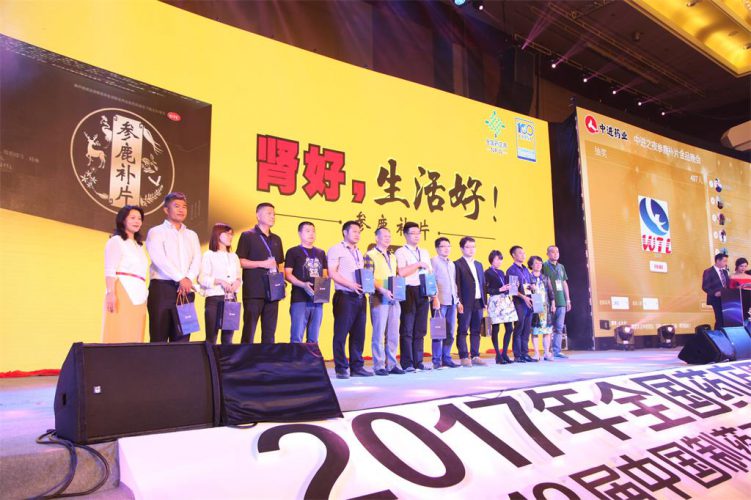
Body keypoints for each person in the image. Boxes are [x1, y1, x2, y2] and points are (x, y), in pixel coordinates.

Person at [146, 192, 202, 343]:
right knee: (159, 337)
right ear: (166, 209)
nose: (181, 210)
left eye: (184, 207)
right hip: (162, 289)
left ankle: (181, 360)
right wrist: (180, 278)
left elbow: (197, 259)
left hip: (186, 290)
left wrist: (188, 278)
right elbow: (159, 258)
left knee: (183, 338)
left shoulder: (192, 235)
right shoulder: (156, 231)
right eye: (176, 206)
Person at [328, 221, 372, 378]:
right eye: (354, 231)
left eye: (359, 232)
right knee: (341, 334)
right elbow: (332, 273)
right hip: (345, 295)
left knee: (359, 334)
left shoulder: (359, 252)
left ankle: (357, 367)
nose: (357, 234)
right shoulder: (336, 249)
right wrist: (350, 285)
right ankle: (341, 368)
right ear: (345, 232)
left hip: (360, 296)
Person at [236, 203, 285, 344]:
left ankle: (267, 357)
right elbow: (240, 261)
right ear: (258, 215)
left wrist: (281, 285)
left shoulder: (277, 239)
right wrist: (262, 264)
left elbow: (280, 264)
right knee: (249, 330)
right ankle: (246, 356)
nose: (272, 216)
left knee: (270, 332)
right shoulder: (247, 235)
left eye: (274, 214)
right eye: (269, 213)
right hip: (254, 291)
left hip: (273, 292)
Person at [102, 205, 149, 343]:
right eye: (132, 218)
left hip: (140, 293)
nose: (137, 221)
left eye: (139, 218)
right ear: (123, 220)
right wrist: (110, 293)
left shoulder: (139, 246)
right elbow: (110, 269)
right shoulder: (116, 241)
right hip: (122, 289)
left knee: (135, 333)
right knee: (120, 331)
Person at [395, 222, 434, 372]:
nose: (417, 236)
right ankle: (407, 363)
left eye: (418, 233)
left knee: (420, 329)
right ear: (405, 235)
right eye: (413, 233)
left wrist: (434, 294)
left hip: (423, 290)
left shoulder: (424, 252)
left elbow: (430, 272)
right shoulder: (400, 252)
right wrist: (418, 264)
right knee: (407, 328)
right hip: (408, 290)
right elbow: (401, 272)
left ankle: (419, 362)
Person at [366, 227, 404, 375]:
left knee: (393, 333)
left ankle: (392, 364)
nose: (388, 238)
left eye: (389, 236)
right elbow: (368, 277)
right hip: (378, 296)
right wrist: (383, 290)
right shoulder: (370, 255)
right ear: (376, 238)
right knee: (379, 332)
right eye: (384, 236)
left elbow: (396, 275)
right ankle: (379, 365)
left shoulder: (393, 256)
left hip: (394, 296)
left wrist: (397, 290)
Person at [284, 221, 328, 343]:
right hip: (300, 298)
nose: (311, 234)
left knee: (314, 338)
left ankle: (311, 357)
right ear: (299, 233)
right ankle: (295, 357)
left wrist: (324, 285)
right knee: (297, 337)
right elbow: (287, 274)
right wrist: (303, 285)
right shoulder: (293, 251)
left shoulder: (321, 252)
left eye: (313, 231)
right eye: (307, 231)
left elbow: (325, 274)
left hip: (318, 299)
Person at [198, 223, 242, 345]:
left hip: (231, 299)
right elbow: (202, 278)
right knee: (211, 337)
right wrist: (220, 281)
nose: (230, 237)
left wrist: (237, 283)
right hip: (214, 298)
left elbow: (239, 276)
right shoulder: (209, 255)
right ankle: (210, 358)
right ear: (217, 234)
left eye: (231, 234)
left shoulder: (234, 256)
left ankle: (225, 358)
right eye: (227, 234)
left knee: (228, 338)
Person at [454, 237, 487, 367]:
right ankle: (463, 356)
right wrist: (459, 302)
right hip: (465, 302)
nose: (471, 249)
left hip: (478, 301)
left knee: (476, 330)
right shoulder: (457, 264)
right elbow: (457, 285)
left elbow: (482, 284)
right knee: (463, 329)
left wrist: (484, 301)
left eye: (473, 247)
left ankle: (475, 355)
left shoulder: (479, 264)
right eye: (468, 247)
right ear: (462, 249)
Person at [430, 237, 460, 369]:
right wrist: (434, 297)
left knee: (450, 332)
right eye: (443, 246)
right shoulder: (433, 261)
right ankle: (437, 361)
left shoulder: (451, 264)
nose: (446, 248)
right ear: (437, 248)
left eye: (448, 246)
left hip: (452, 301)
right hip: (440, 301)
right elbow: (431, 280)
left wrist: (457, 301)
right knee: (438, 332)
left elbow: (454, 283)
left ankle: (446, 358)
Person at [484, 250, 517, 364]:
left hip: (505, 300)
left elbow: (504, 286)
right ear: (491, 259)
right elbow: (486, 289)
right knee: (496, 328)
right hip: (495, 301)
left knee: (510, 328)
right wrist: (499, 289)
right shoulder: (487, 272)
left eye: (501, 259)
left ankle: (504, 354)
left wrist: (510, 287)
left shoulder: (502, 272)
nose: (499, 261)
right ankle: (498, 355)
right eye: (497, 259)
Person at [507, 245, 536, 362]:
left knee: (527, 329)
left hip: (529, 302)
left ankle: (525, 353)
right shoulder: (512, 270)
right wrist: (524, 297)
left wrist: (532, 287)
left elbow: (530, 284)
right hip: (519, 303)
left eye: (524, 253)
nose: (523, 255)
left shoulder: (526, 270)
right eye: (520, 253)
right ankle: (517, 355)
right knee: (519, 328)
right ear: (513, 255)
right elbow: (513, 290)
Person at [542, 245, 571, 359]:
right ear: (548, 254)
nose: (555, 254)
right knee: (548, 328)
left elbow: (564, 283)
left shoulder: (561, 267)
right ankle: (547, 351)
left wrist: (567, 299)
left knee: (559, 328)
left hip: (561, 301)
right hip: (549, 302)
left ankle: (557, 351)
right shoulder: (544, 265)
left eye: (557, 252)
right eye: (553, 252)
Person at [529, 256, 555, 361]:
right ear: (531, 265)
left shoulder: (545, 277)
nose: (539, 265)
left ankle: (547, 353)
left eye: (540, 263)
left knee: (547, 331)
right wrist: (531, 288)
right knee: (535, 331)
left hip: (545, 306)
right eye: (536, 263)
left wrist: (553, 303)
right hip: (534, 306)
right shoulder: (528, 277)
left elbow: (551, 292)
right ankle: (536, 353)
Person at [702, 253, 730, 329]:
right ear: (718, 260)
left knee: (726, 319)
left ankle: (724, 334)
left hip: (726, 298)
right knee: (719, 319)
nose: (726, 263)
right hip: (716, 299)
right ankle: (718, 334)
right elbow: (705, 287)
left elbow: (727, 285)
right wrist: (715, 293)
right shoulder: (708, 271)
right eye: (724, 261)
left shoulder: (725, 272)